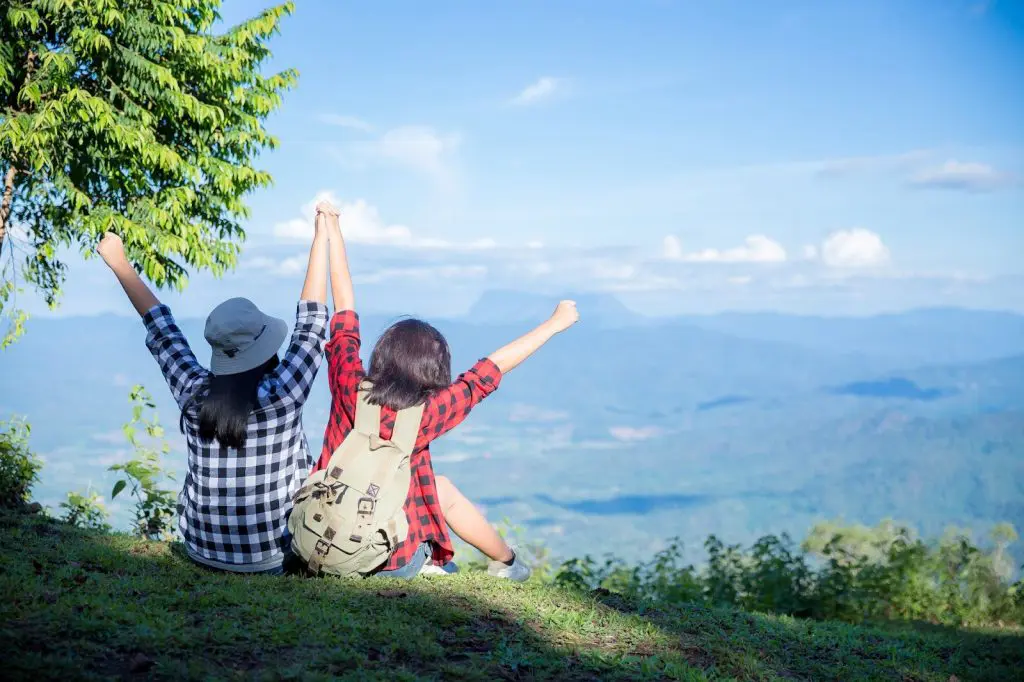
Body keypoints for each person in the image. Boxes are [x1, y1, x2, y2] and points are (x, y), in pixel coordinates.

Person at [314, 200, 580, 581]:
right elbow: (488, 371)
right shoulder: (429, 411)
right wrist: (555, 324)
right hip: (389, 563)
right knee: (442, 491)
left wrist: (331, 230)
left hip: (320, 542)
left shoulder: (347, 386)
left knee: (429, 487)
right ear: (433, 371)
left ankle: (503, 564)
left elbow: (344, 310)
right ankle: (507, 565)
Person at [97, 215, 330, 575]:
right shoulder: (284, 395)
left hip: (203, 550)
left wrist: (119, 263)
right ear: (265, 348)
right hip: (272, 556)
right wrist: (322, 237)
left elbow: (162, 330)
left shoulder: (193, 395)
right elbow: (311, 325)